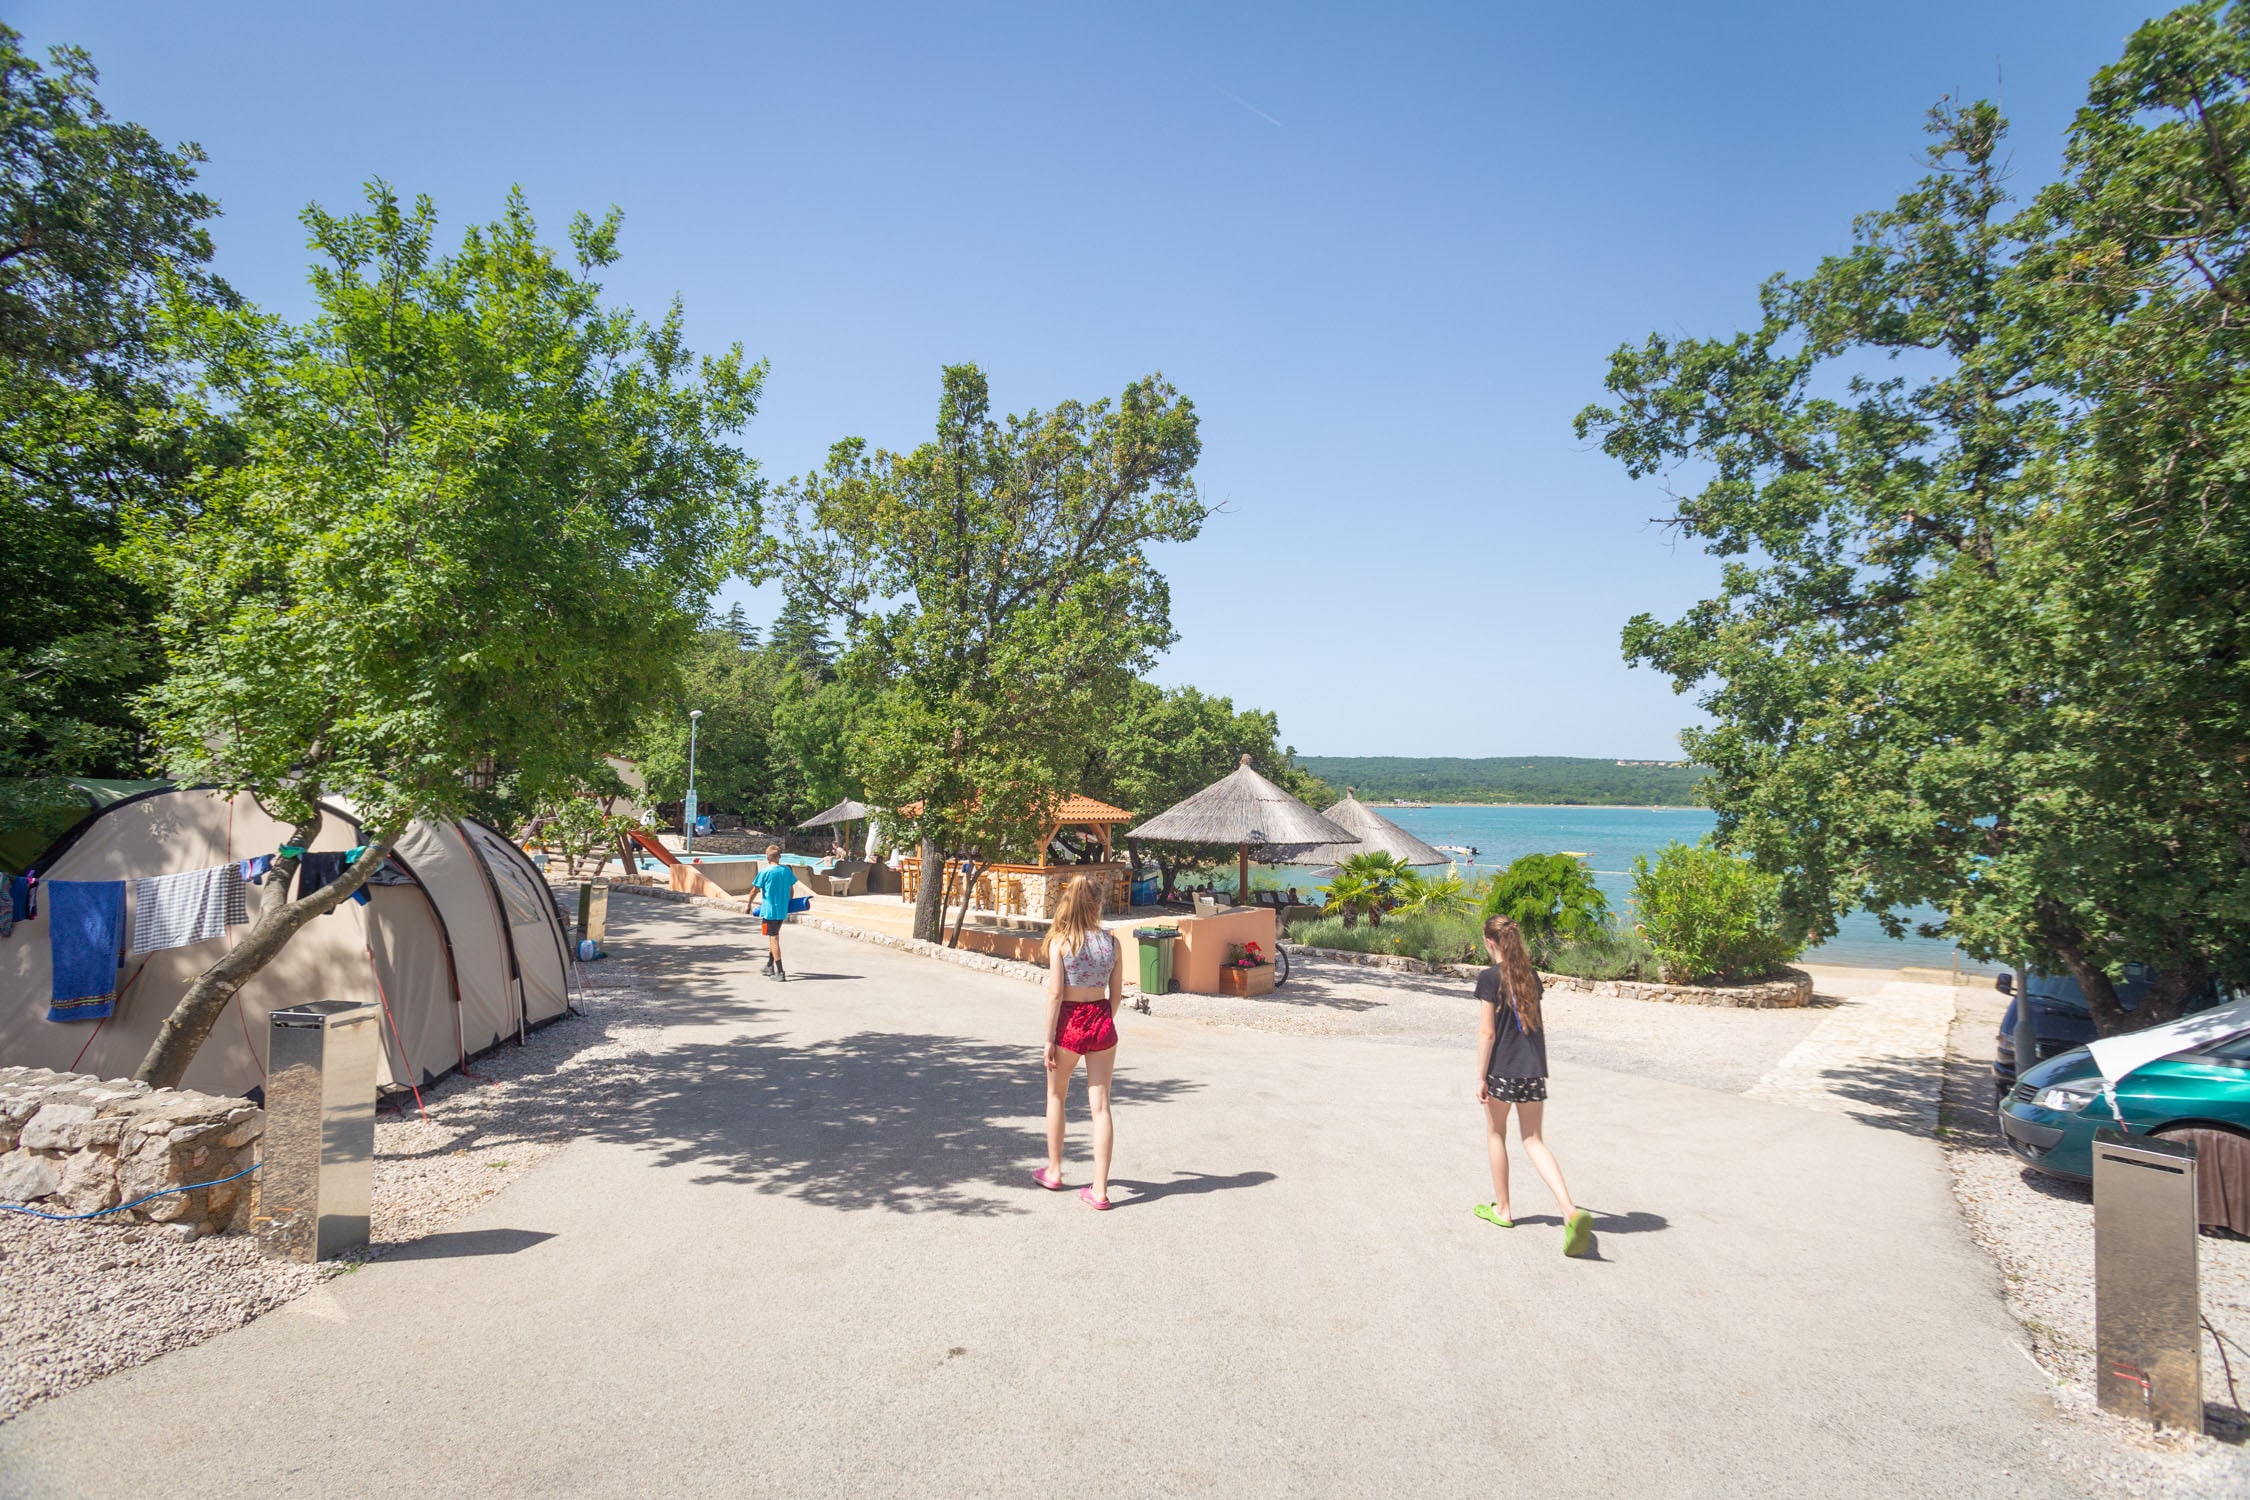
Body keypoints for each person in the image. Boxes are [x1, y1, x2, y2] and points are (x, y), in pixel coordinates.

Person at [1472, 913, 1593, 1257]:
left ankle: (1503, 1209)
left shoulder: (1488, 978)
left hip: (1502, 1070)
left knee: (1496, 1134)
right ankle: (1570, 1210)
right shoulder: (1531, 976)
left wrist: (1481, 1077)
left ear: (1490, 943)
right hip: (1533, 1070)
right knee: (1534, 1140)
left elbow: (1487, 1033)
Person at [1036, 878, 1122, 1209]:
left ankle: (1055, 1170)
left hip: (1069, 1024)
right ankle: (1099, 1190)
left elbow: (1056, 994)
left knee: (1056, 1094)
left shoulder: (1061, 942)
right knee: (1101, 1107)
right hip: (1100, 1019)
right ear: (1098, 905)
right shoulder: (1112, 944)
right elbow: (1116, 996)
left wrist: (1048, 1039)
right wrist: (1103, 1020)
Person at [751, 845, 798, 981]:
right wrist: (790, 903)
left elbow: (754, 890)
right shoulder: (786, 871)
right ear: (779, 856)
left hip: (769, 911)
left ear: (767, 856)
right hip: (782, 910)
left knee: (773, 938)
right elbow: (791, 890)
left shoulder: (765, 872)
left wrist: (748, 904)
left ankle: (780, 972)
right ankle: (769, 965)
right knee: (772, 936)